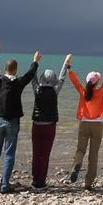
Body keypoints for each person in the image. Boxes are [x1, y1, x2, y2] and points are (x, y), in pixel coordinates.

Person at [0, 50, 40, 194]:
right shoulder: (18, 83)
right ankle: (4, 185)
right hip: (13, 122)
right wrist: (35, 61)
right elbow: (29, 75)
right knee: (9, 154)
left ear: (6, 69)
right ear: (15, 70)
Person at [66, 56, 103, 190]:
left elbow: (75, 81)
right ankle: (88, 183)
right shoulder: (100, 92)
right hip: (97, 125)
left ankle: (77, 164)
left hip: (84, 124)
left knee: (81, 149)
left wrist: (68, 67)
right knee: (93, 155)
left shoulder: (83, 92)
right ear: (96, 82)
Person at [30, 54, 73, 189]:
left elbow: (33, 78)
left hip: (36, 126)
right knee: (45, 155)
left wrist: (35, 62)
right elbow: (62, 78)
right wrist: (65, 64)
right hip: (50, 127)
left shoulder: (37, 90)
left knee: (36, 153)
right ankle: (41, 181)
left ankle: (35, 180)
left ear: (42, 78)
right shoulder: (55, 90)